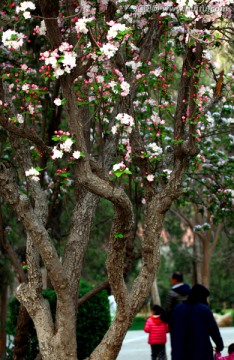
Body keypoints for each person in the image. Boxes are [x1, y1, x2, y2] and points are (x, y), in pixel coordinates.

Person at [171, 284, 224, 360]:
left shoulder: (177, 309)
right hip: (202, 353)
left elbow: (172, 330)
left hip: (181, 353)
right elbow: (214, 331)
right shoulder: (204, 310)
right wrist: (220, 346)